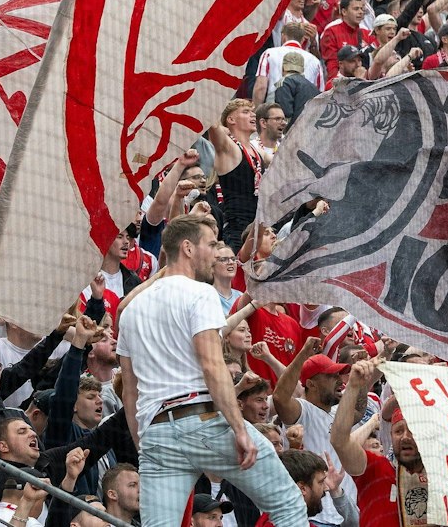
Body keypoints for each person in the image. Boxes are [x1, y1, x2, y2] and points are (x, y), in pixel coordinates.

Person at [118, 214, 310, 527]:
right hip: (203, 419)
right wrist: (239, 428)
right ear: (188, 248)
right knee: (288, 504)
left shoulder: (130, 311)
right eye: (210, 244)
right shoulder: (200, 292)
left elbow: (130, 391)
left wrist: (146, 445)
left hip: (156, 430)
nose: (215, 252)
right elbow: (212, 364)